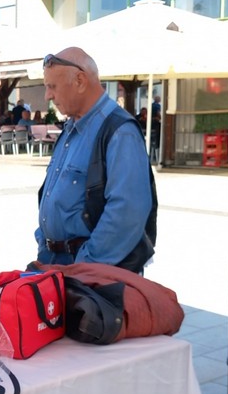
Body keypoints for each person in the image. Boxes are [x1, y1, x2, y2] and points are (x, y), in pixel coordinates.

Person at [36, 48, 154, 272]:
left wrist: (85, 266)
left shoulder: (119, 131)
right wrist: (45, 243)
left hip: (92, 274)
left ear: (80, 81)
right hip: (58, 264)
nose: (47, 96)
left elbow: (127, 213)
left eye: (52, 87)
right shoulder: (71, 127)